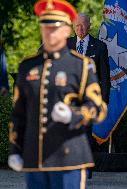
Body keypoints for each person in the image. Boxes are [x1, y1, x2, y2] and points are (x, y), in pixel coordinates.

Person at [7, 1, 107, 189]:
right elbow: (19, 113)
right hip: (35, 156)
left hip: (70, 157)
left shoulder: (81, 66)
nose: (50, 32)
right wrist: (15, 149)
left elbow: (98, 108)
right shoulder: (27, 66)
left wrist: (74, 115)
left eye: (55, 27)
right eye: (46, 27)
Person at [67, 13, 110, 104]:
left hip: (92, 99)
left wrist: (103, 102)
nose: (80, 28)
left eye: (82, 25)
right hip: (69, 98)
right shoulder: (65, 45)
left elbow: (105, 77)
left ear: (89, 26)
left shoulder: (100, 46)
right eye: (77, 25)